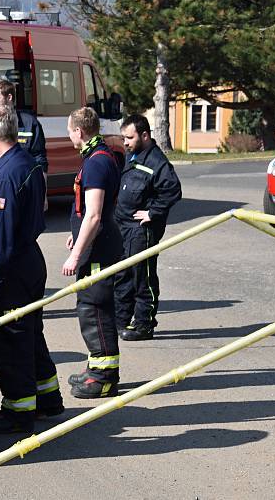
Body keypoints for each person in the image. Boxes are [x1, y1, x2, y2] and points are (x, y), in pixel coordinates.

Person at [0, 104, 64, 433]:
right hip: (29, 261)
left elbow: (0, 235)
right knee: (30, 332)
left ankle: (18, 410)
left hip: (11, 268)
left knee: (11, 339)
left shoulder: (6, 173)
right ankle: (47, 398)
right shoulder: (26, 162)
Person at [62, 107, 123, 399]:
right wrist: (77, 239)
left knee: (94, 307)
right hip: (95, 244)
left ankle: (104, 376)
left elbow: (95, 215)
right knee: (90, 305)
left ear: (79, 131)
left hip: (100, 249)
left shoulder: (97, 163)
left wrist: (76, 256)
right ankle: (95, 365)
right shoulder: (95, 156)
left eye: (69, 130)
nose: (68, 135)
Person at [114, 114, 182, 340]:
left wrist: (153, 213)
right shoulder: (132, 155)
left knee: (142, 277)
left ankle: (144, 324)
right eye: (123, 137)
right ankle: (121, 318)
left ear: (144, 135)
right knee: (122, 275)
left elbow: (172, 190)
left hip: (141, 230)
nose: (125, 142)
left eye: (129, 137)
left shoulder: (157, 162)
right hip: (123, 227)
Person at [0, 79, 48, 214]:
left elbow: (40, 163)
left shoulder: (30, 124)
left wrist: (43, 195)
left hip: (22, 193)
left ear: (9, 97)